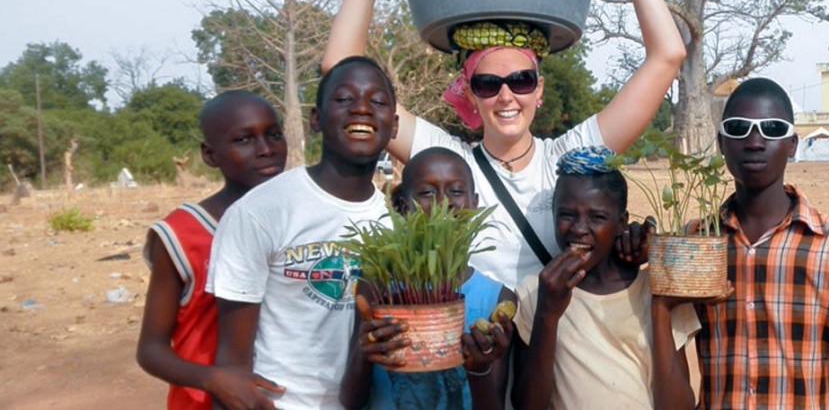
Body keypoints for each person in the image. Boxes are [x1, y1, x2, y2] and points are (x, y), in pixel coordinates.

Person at [321, 0, 686, 289]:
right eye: (488, 84)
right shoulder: (449, 165)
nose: (506, 96)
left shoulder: (567, 159)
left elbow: (667, 56)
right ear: (469, 94)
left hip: (552, 342)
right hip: (474, 340)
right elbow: (340, 71)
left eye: (521, 81)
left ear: (539, 89)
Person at [696, 78, 829, 409]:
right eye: (738, 128)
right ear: (721, 143)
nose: (754, 141)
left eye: (772, 129)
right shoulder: (695, 245)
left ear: (792, 144)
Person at [206, 56, 399, 409]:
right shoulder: (263, 210)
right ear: (316, 119)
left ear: (395, 126)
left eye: (378, 101)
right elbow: (231, 368)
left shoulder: (395, 223)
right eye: (343, 99)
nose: (361, 109)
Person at [511, 146, 701, 409]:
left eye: (597, 217)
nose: (578, 228)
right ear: (553, 215)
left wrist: (660, 307)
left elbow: (679, 406)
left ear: (622, 222)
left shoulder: (656, 290)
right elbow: (527, 405)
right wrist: (547, 314)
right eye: (566, 214)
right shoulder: (536, 292)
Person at [136, 91, 288, 409]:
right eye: (244, 140)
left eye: (273, 135)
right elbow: (151, 350)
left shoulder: (299, 222)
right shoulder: (182, 233)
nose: (266, 150)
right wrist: (215, 379)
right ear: (210, 154)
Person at [341, 147, 515, 410]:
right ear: (402, 206)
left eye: (456, 191)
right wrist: (364, 353)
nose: (443, 203)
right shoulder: (378, 281)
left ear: (474, 203)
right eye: (427, 193)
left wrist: (479, 370)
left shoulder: (498, 298)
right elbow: (350, 401)